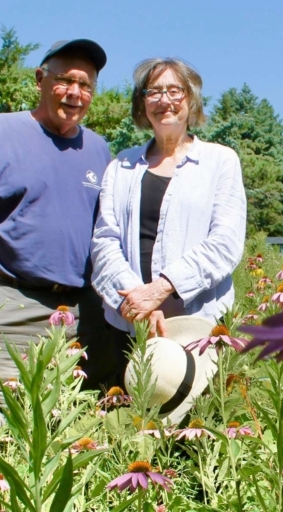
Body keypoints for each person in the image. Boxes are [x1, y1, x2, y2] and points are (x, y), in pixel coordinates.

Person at [0, 39, 120, 410]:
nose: (75, 93)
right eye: (65, 80)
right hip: (15, 307)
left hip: (84, 315)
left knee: (80, 429)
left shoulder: (99, 149)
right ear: (40, 79)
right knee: (5, 431)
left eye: (86, 84)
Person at [90, 57, 246, 361]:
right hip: (129, 326)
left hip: (199, 328)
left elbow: (225, 244)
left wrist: (160, 289)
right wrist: (137, 303)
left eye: (175, 91)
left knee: (203, 408)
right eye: (154, 92)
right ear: (142, 103)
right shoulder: (121, 165)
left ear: (191, 100)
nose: (165, 101)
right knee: (128, 406)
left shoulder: (220, 161)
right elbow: (104, 242)